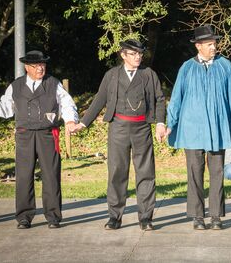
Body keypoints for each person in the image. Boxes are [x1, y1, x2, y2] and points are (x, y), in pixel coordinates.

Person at [70, 39, 166, 231]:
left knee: (146, 173)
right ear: (123, 55)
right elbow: (100, 99)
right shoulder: (112, 75)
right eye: (133, 54)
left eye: (140, 54)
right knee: (117, 173)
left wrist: (160, 123)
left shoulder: (148, 74)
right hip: (118, 127)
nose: (138, 57)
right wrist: (83, 122)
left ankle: (146, 218)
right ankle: (115, 217)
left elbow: (159, 99)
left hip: (142, 127)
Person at [0, 50, 78, 229]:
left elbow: (67, 103)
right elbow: (5, 106)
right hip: (24, 135)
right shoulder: (16, 86)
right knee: (24, 176)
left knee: (51, 175)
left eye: (43, 65)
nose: (41, 68)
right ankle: (24, 217)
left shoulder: (53, 83)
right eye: (36, 65)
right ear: (27, 67)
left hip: (48, 134)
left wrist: (70, 120)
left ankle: (53, 216)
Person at [166, 24, 231, 230]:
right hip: (192, 129)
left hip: (218, 129)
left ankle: (216, 216)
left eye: (215, 43)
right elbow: (176, 98)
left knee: (217, 172)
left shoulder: (225, 65)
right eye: (209, 44)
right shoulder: (187, 67)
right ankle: (197, 216)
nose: (214, 47)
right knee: (194, 172)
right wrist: (170, 123)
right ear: (198, 46)